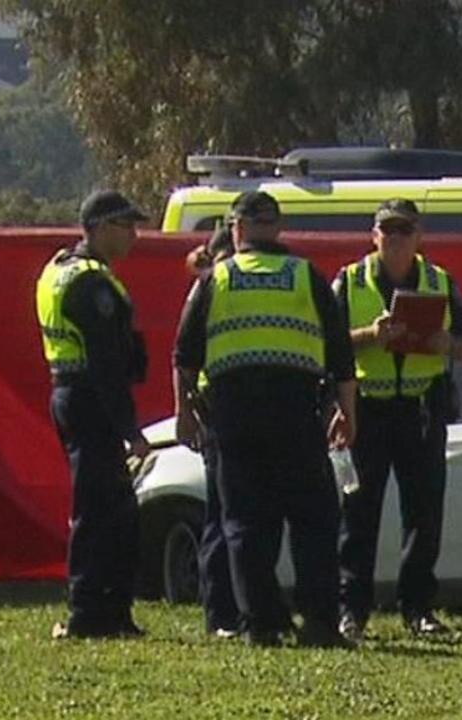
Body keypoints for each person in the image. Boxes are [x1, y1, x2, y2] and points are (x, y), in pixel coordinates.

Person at [173, 191, 357, 648]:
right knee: (312, 519)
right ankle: (318, 622)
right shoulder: (306, 277)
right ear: (277, 228)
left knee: (245, 523)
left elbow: (184, 355)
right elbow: (341, 356)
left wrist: (183, 412)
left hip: (233, 415)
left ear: (235, 230)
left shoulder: (215, 279)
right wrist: (347, 412)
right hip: (296, 413)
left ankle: (262, 622)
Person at [335, 198, 462, 637]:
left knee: (424, 512)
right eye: (388, 231)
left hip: (421, 408)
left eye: (405, 231)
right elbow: (328, 344)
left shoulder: (439, 280)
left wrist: (445, 344)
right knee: (359, 513)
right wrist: (370, 336)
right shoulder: (350, 281)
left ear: (419, 236)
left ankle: (418, 609)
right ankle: (352, 611)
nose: (395, 239)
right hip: (368, 409)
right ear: (373, 236)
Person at [36, 189, 150, 639]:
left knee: (111, 508)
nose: (134, 235)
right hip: (91, 400)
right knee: (100, 510)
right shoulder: (91, 283)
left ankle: (111, 612)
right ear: (100, 228)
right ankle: (89, 612)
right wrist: (130, 430)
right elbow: (106, 363)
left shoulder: (59, 269)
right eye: (126, 226)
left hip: (70, 393)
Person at [185, 226, 240, 638]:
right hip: (218, 410)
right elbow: (183, 356)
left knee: (240, 516)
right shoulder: (207, 290)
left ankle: (241, 607)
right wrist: (185, 412)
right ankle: (220, 613)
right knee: (221, 516)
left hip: (242, 410)